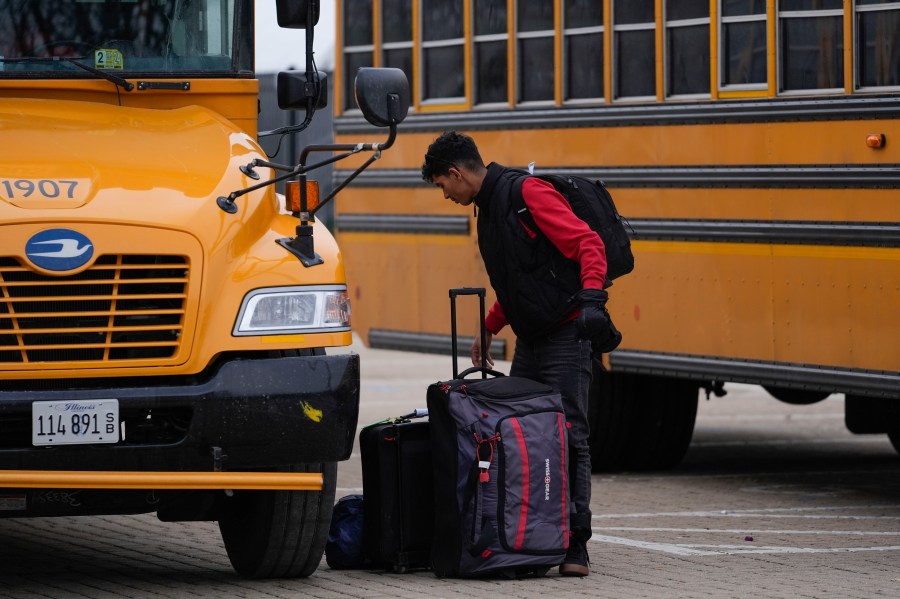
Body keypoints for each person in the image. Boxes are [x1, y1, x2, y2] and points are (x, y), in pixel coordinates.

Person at [421, 131, 621, 577]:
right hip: (533, 339)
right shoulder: (488, 211)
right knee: (529, 433)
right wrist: (490, 326)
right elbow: (520, 277)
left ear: (456, 173)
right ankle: (534, 538)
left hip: (567, 334)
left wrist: (592, 300)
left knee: (570, 434)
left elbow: (588, 244)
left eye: (441, 185)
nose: (445, 195)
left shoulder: (526, 193)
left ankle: (575, 545)